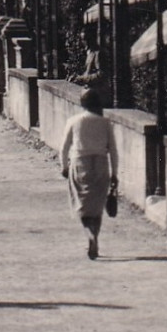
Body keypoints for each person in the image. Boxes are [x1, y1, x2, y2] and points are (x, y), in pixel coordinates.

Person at [59, 88, 119, 260]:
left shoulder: (73, 121)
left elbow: (64, 147)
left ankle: (89, 235)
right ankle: (96, 236)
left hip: (80, 163)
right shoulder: (105, 123)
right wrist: (115, 173)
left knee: (83, 205)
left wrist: (64, 166)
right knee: (97, 206)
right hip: (101, 163)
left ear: (82, 103)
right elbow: (113, 151)